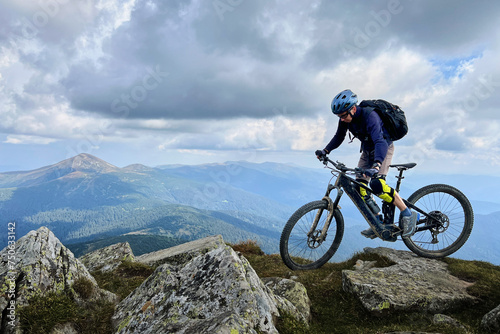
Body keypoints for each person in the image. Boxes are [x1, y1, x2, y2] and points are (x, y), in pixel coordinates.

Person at [315, 89, 418, 240]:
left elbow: (380, 142)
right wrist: (325, 150)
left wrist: (376, 165)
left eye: (343, 116)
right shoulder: (345, 118)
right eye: (339, 116)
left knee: (378, 185)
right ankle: (377, 222)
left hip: (383, 148)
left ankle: (407, 213)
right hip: (367, 151)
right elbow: (339, 136)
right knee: (359, 187)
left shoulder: (370, 116)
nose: (341, 119)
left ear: (353, 108)